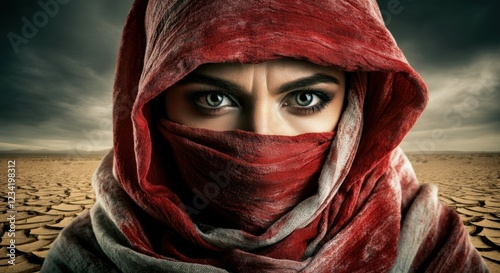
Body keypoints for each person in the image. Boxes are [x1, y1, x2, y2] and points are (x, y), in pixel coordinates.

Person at [42, 0, 489, 272]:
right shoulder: (91, 256)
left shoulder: (428, 246)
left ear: (356, 111)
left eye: (306, 99)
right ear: (151, 109)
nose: (261, 135)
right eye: (213, 99)